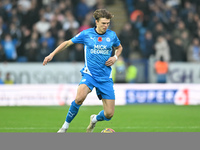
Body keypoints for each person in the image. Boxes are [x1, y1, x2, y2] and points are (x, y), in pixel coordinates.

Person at [43, 9, 123, 133]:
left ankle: (95, 119)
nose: (106, 26)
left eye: (108, 23)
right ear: (96, 22)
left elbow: (119, 47)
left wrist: (115, 57)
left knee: (109, 115)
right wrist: (51, 54)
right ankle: (64, 127)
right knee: (79, 98)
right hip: (89, 74)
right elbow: (67, 43)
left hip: (105, 78)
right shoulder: (86, 34)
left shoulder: (111, 35)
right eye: (103, 23)